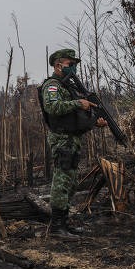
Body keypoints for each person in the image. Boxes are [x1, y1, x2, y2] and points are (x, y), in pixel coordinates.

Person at [40, 48, 107, 239]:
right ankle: (56, 227)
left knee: (70, 182)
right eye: (70, 64)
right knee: (61, 181)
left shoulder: (68, 87)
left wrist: (94, 122)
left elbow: (76, 117)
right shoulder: (52, 86)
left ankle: (64, 223)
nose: (74, 68)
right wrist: (78, 103)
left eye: (75, 64)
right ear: (58, 65)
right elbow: (52, 107)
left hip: (72, 139)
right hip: (61, 139)